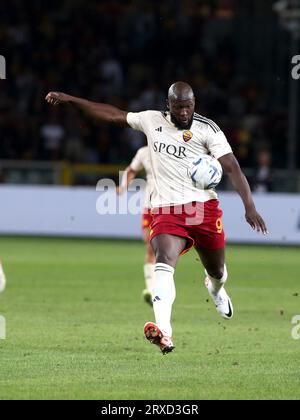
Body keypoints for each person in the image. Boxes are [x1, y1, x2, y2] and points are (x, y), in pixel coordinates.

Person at [46, 81, 268, 355]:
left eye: (188, 106)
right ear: (169, 106)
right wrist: (70, 98)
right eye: (178, 107)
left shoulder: (207, 129)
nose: (184, 112)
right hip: (166, 210)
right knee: (163, 260)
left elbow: (232, 168)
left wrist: (250, 206)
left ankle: (215, 289)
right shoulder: (152, 120)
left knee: (218, 271)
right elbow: (113, 115)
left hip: (203, 209)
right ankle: (165, 331)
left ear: (194, 103)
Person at [116, 146, 156, 306]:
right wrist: (123, 186)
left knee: (164, 249)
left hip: (170, 206)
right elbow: (132, 170)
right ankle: (152, 290)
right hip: (149, 207)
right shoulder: (143, 152)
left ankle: (159, 288)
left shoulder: (173, 147)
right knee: (150, 246)